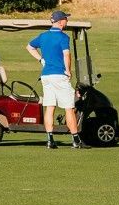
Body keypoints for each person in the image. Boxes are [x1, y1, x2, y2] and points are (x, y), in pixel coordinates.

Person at [26, 10, 88, 149]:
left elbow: (29, 47)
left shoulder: (43, 36)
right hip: (59, 75)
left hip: (46, 76)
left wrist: (41, 59)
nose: (67, 21)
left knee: (50, 107)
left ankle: (50, 140)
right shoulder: (63, 37)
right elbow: (67, 55)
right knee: (69, 108)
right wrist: (68, 71)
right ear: (60, 21)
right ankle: (76, 140)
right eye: (66, 19)